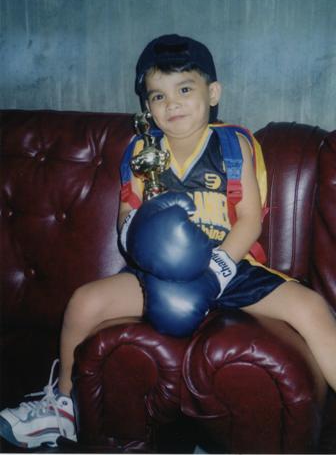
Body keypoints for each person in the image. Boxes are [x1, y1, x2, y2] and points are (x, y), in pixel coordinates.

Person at [1, 34, 336, 449]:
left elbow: (249, 221)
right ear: (147, 107)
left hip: (228, 267)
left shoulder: (233, 144)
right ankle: (64, 405)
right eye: (158, 96)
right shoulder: (142, 150)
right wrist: (142, 237)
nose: (171, 104)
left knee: (311, 307)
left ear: (212, 93)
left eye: (184, 89)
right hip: (159, 273)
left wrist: (215, 274)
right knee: (84, 303)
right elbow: (126, 219)